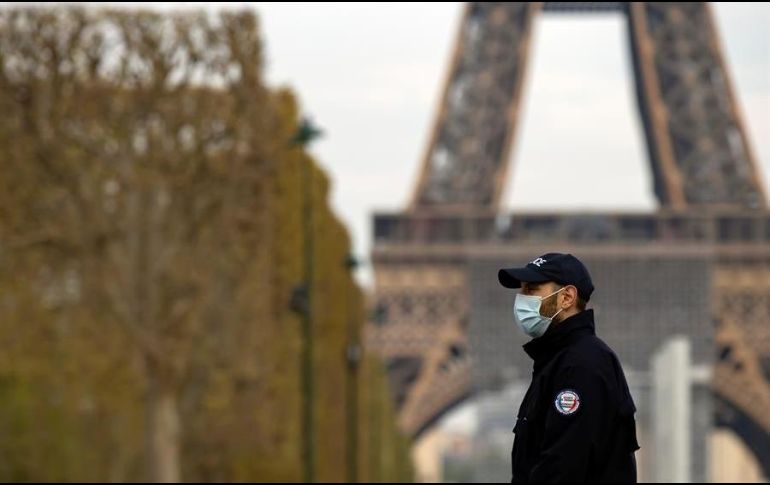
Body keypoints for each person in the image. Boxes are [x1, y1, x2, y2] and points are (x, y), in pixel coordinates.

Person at [498, 252, 640, 482]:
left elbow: (563, 467)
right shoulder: (561, 361)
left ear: (566, 297)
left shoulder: (580, 365)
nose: (521, 298)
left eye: (532, 290)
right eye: (522, 290)